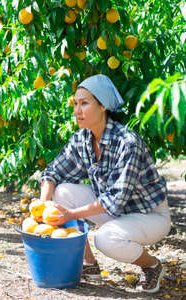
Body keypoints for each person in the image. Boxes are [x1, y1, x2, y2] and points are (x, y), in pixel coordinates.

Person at [39, 74, 171, 293]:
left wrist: (70, 215)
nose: (77, 110)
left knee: (105, 239)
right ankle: (89, 264)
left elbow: (115, 199)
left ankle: (152, 266)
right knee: (61, 192)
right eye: (75, 104)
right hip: (115, 211)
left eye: (84, 103)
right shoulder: (82, 139)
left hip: (149, 215)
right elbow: (53, 172)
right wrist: (42, 203)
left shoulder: (127, 143)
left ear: (103, 107)